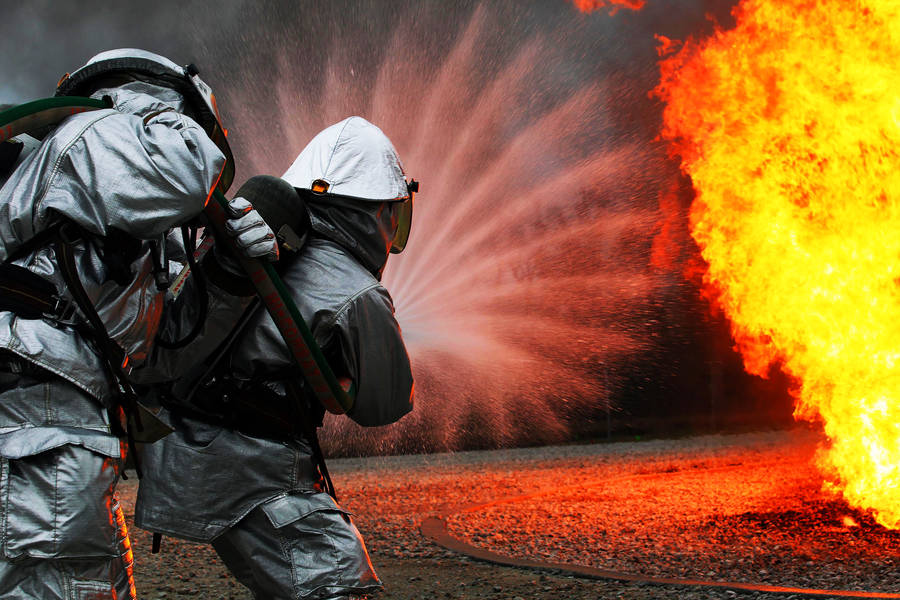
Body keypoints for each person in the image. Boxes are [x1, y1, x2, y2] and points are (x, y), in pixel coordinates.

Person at [0, 48, 276, 600]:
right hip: (38, 426)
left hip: (51, 423)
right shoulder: (96, 133)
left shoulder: (103, 189)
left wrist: (225, 274)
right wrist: (163, 107)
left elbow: (160, 354)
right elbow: (191, 166)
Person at [134, 116, 416, 600]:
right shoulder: (358, 292)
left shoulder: (259, 246)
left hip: (184, 448)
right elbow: (382, 405)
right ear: (377, 213)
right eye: (393, 215)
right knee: (337, 580)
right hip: (254, 470)